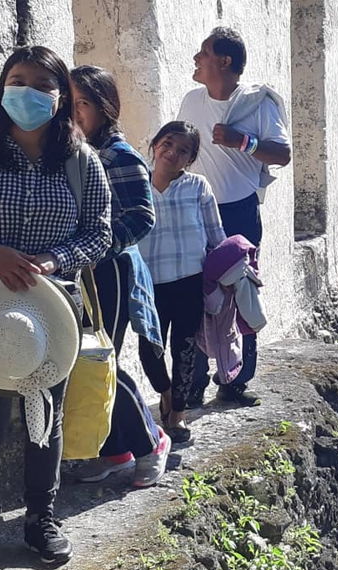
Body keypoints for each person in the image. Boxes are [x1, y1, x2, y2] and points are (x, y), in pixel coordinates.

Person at [0, 46, 112, 566]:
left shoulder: (81, 161)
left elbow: (100, 233)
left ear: (60, 97)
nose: (27, 92)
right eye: (17, 80)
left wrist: (55, 260)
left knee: (45, 420)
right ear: (1, 87)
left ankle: (41, 520)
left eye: (41, 84)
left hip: (54, 315)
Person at [69, 65, 171, 487]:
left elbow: (142, 216)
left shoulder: (118, 155)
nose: (74, 112)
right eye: (69, 102)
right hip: (77, 269)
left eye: (83, 103)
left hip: (108, 272)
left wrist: (99, 247)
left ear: (105, 107)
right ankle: (114, 450)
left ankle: (151, 442)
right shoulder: (75, 150)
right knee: (79, 361)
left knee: (99, 360)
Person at [177, 26, 291, 406]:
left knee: (241, 293)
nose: (196, 58)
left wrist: (242, 141)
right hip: (195, 210)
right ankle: (192, 384)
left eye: (204, 52)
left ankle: (236, 382)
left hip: (239, 211)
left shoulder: (258, 103)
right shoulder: (191, 101)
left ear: (225, 61)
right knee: (193, 294)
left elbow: (282, 154)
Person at [138, 121, 226, 443]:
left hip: (189, 281)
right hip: (147, 284)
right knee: (150, 349)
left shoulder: (197, 187)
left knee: (185, 349)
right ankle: (165, 392)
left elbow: (216, 236)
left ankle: (177, 411)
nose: (172, 153)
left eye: (183, 150)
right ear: (155, 145)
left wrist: (229, 274)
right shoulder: (137, 186)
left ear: (190, 159)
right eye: (167, 144)